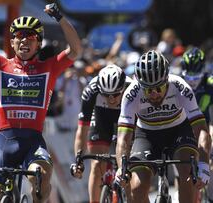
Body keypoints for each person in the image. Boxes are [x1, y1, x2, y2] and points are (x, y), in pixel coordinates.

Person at [0, 1, 81, 202]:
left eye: (31, 37)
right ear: (13, 42)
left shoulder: (49, 67)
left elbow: (76, 50)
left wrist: (60, 17)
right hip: (4, 142)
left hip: (33, 142)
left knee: (40, 181)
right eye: (19, 36)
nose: (24, 41)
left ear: (39, 43)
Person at [115, 50, 211, 203]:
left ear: (167, 80)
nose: (154, 94)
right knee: (137, 188)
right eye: (148, 89)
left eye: (159, 88)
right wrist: (122, 167)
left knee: (187, 175)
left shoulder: (180, 86)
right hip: (146, 134)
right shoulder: (131, 94)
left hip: (179, 130)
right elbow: (123, 138)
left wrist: (204, 163)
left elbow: (201, 129)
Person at [70, 64, 132, 203]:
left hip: (124, 116)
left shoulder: (132, 89)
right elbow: (82, 130)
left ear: (122, 88)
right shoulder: (90, 91)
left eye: (116, 94)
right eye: (106, 95)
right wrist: (78, 160)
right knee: (97, 163)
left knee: (128, 165)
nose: (111, 99)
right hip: (100, 116)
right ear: (100, 89)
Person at [180, 47, 213, 202]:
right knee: (182, 166)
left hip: (205, 125)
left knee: (210, 156)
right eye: (189, 75)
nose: (192, 80)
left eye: (196, 75)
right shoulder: (178, 83)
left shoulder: (210, 83)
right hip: (183, 126)